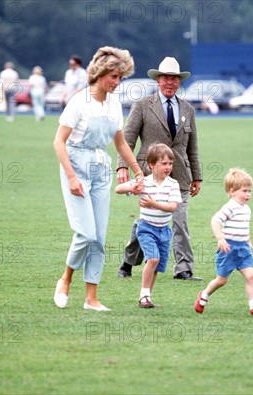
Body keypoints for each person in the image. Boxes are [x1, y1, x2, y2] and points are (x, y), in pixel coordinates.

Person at [52, 46, 143, 312]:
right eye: (113, 77)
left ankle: (91, 298)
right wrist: (71, 177)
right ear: (99, 74)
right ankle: (66, 279)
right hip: (75, 167)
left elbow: (121, 142)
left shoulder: (114, 103)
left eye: (120, 77)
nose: (117, 83)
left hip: (101, 169)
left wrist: (138, 172)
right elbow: (59, 142)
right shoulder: (79, 102)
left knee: (99, 238)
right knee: (86, 233)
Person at [115, 56, 203, 281]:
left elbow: (192, 147)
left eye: (174, 79)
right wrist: (122, 166)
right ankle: (129, 260)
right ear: (158, 80)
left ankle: (183, 268)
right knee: (146, 222)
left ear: (179, 82)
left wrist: (197, 177)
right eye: (166, 78)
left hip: (180, 175)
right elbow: (127, 139)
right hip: (148, 174)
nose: (170, 83)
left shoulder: (188, 110)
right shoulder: (143, 106)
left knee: (180, 220)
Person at [194, 168, 253, 316]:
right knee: (221, 281)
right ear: (232, 191)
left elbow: (244, 227)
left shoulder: (246, 209)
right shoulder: (229, 207)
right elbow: (215, 221)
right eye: (244, 191)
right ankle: (204, 296)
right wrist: (220, 239)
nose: (248, 194)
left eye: (249, 191)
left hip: (242, 248)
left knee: (251, 275)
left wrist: (248, 241)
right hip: (228, 248)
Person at [115, 143, 181, 308]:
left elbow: (173, 207)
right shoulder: (143, 182)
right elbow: (118, 189)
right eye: (163, 163)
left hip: (164, 230)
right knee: (152, 258)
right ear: (151, 165)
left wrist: (154, 203)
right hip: (146, 228)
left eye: (170, 164)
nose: (168, 167)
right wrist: (133, 187)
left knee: (157, 265)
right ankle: (143, 295)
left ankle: (147, 297)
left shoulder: (173, 184)